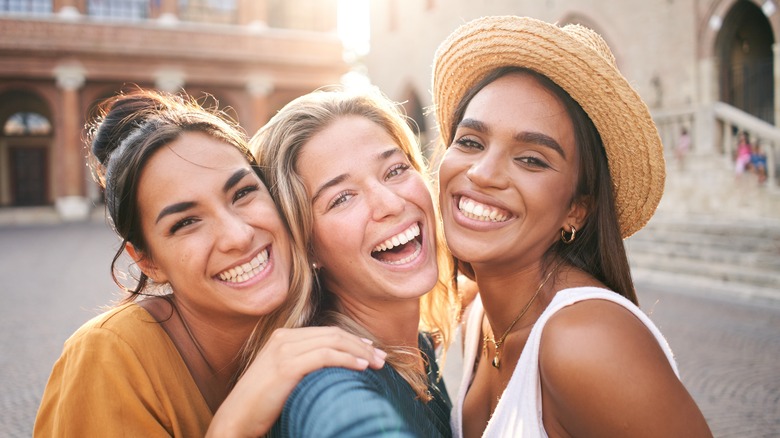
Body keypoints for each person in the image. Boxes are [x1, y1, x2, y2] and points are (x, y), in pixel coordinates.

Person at [34, 89, 386, 437]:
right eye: (186, 222)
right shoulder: (108, 358)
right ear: (147, 261)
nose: (237, 236)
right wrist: (234, 425)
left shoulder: (325, 311)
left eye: (243, 193)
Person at [431, 16, 713, 437]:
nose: (483, 173)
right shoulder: (480, 312)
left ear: (576, 211)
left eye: (531, 159)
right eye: (471, 141)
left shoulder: (586, 341)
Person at [220, 87, 458, 437]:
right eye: (342, 198)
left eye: (394, 170)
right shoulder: (324, 379)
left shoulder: (418, 345)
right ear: (307, 246)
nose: (389, 203)